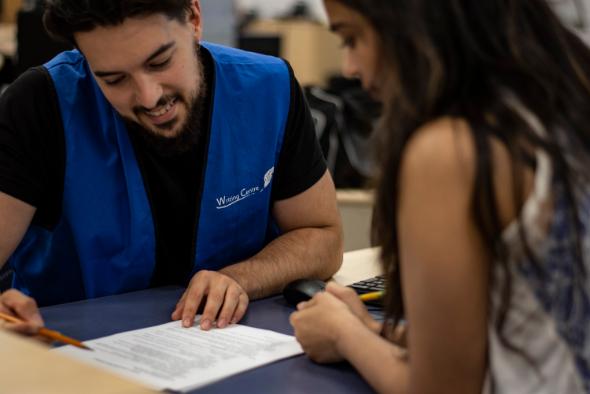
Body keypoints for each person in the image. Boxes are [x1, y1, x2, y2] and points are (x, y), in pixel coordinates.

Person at [290, 0, 590, 393]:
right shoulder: (563, 98)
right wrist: (379, 330)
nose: (349, 67)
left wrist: (346, 335)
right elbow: (526, 324)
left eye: (353, 37)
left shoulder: (450, 152)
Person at [0, 0, 342, 336]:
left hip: (227, 350)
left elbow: (323, 237)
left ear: (193, 18)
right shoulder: (40, 105)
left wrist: (243, 277)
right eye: (114, 79)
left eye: (160, 61)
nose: (148, 98)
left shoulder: (269, 91)